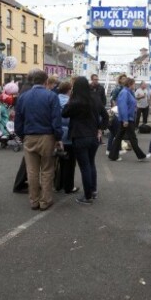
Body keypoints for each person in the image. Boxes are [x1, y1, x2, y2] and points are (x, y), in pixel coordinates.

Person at [15, 69, 63, 211]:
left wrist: (22, 135)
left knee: (32, 170)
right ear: (46, 81)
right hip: (47, 136)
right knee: (47, 169)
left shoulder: (23, 97)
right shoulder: (51, 96)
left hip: (29, 136)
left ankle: (34, 200)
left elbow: (18, 120)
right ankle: (45, 200)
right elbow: (56, 119)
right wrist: (58, 137)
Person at [62, 77, 109, 205]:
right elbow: (105, 116)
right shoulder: (95, 98)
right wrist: (100, 128)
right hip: (93, 136)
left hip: (79, 136)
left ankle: (87, 196)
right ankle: (93, 190)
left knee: (84, 166)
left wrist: (70, 98)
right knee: (91, 163)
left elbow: (64, 113)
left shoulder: (75, 101)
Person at [108, 77, 146, 161]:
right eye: (133, 84)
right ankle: (140, 155)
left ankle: (113, 155)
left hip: (128, 118)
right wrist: (125, 119)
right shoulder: (125, 93)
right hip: (127, 119)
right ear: (130, 84)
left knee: (120, 137)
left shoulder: (128, 92)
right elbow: (123, 106)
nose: (134, 85)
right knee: (132, 137)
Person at [56, 81, 78, 195]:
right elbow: (69, 120)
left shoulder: (55, 99)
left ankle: (59, 184)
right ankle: (68, 186)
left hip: (58, 134)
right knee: (70, 162)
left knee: (60, 161)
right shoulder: (69, 103)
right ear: (69, 90)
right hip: (68, 135)